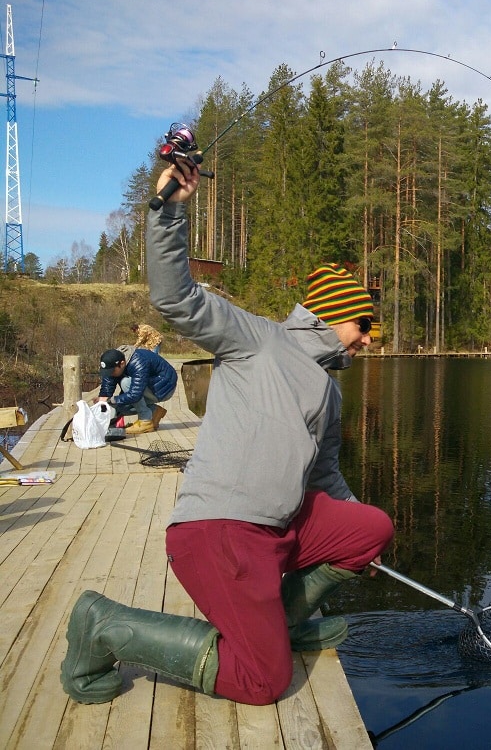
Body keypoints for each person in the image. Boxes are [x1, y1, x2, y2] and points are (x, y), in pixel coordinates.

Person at [61, 156, 395, 706]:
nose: (367, 340)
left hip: (279, 527)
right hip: (222, 530)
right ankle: (105, 625)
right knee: (265, 682)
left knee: (371, 528)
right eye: (364, 326)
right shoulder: (259, 340)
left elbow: (328, 475)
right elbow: (177, 298)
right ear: (335, 314)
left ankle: (279, 626)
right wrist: (169, 211)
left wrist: (356, 532)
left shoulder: (329, 389)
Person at [97, 346, 177, 434]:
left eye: (112, 371)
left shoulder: (139, 362)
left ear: (122, 364)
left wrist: (113, 400)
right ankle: (154, 411)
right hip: (146, 385)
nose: (110, 374)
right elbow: (107, 387)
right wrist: (102, 404)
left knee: (125, 383)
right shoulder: (113, 362)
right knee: (121, 408)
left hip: (164, 387)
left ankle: (145, 421)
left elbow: (135, 394)